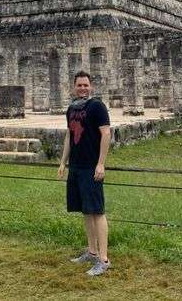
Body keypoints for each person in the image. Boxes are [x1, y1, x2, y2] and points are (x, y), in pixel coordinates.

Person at [57, 70, 111, 276]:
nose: (82, 88)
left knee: (97, 211)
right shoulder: (71, 109)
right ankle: (92, 251)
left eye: (85, 85)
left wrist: (101, 163)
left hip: (91, 166)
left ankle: (104, 259)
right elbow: (69, 136)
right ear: (74, 87)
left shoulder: (97, 106)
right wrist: (63, 162)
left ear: (91, 86)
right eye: (79, 85)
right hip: (76, 166)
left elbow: (106, 133)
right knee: (86, 211)